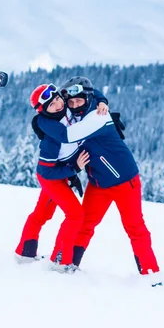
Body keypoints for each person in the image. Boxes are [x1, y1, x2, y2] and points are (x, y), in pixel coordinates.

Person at [60, 77, 162, 286]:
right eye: (71, 102)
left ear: (87, 99)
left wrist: (100, 100)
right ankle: (69, 264)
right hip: (98, 183)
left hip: (125, 181)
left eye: (78, 101)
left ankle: (150, 273)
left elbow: (67, 135)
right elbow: (73, 99)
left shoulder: (98, 117)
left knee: (135, 227)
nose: (74, 105)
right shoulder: (81, 112)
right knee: (84, 224)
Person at [14, 83, 106, 273]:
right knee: (75, 214)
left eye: (57, 99)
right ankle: (60, 261)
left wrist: (102, 101)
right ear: (44, 111)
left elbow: (87, 89)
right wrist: (74, 169)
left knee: (43, 214)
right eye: (51, 105)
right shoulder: (52, 138)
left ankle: (25, 252)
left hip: (60, 175)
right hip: (52, 178)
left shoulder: (67, 111)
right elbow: (46, 172)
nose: (58, 105)